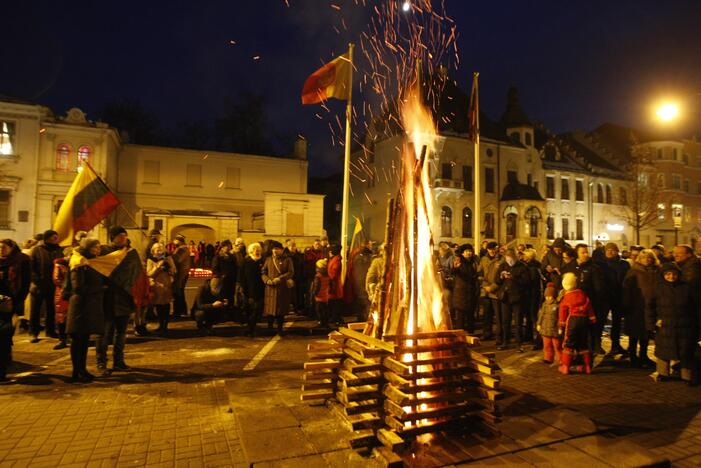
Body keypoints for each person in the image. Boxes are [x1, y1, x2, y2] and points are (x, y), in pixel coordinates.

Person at [646, 262, 700, 386]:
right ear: (663, 275)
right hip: (665, 325)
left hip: (685, 325)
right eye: (668, 274)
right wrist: (651, 324)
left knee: (686, 351)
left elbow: (695, 307)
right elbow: (650, 308)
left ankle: (686, 375)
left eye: (674, 274)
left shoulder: (687, 287)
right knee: (663, 351)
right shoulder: (658, 288)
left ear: (678, 274)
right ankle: (663, 373)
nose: (671, 276)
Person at [95, 226, 134, 375]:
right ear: (113, 237)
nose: (123, 238)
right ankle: (101, 362)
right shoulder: (103, 252)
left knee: (121, 332)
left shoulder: (129, 253)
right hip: (107, 298)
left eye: (125, 235)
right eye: (120, 236)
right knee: (104, 333)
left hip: (123, 297)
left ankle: (119, 361)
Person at [66, 238, 105, 383]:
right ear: (88, 248)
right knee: (78, 341)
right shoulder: (79, 262)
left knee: (83, 341)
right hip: (80, 307)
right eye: (96, 247)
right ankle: (77, 372)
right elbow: (78, 287)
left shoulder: (89, 261)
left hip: (88, 306)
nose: (98, 250)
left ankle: (82, 370)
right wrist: (100, 288)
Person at [622, 249, 659, 368]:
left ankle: (643, 356)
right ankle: (633, 356)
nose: (647, 260)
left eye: (649, 258)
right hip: (636, 306)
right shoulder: (634, 272)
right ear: (639, 259)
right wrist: (627, 305)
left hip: (651, 307)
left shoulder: (657, 271)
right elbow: (627, 290)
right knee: (634, 333)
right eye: (644, 258)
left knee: (646, 333)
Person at [0, 239, 31, 382]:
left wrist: (18, 302)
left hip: (11, 303)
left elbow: (25, 283)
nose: (1, 250)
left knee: (6, 335)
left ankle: (4, 366)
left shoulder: (21, 260)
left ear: (11, 248)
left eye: (4, 247)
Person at [29, 229, 64, 342]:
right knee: (36, 309)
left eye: (56, 237)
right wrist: (36, 280)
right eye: (53, 237)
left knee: (51, 309)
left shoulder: (59, 250)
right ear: (46, 238)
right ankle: (34, 332)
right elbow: (31, 267)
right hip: (38, 284)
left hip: (53, 284)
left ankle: (50, 330)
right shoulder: (37, 250)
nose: (55, 239)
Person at [558, 272, 596, 375]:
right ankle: (586, 366)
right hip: (584, 321)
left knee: (569, 344)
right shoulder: (583, 294)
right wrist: (592, 318)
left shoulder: (566, 297)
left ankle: (565, 367)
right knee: (583, 344)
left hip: (573, 321)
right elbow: (589, 307)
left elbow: (563, 311)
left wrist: (561, 325)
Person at [495, 249, 530, 351]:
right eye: (507, 258)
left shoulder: (522, 267)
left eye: (511, 258)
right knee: (505, 321)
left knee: (518, 322)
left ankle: (519, 343)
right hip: (505, 298)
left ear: (515, 258)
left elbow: (526, 282)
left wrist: (513, 277)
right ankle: (505, 342)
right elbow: (496, 281)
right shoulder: (502, 266)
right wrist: (501, 277)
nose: (509, 260)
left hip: (518, 297)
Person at [599, 242, 630, 355]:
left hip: (619, 296)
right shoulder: (601, 264)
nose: (610, 252)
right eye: (608, 250)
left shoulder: (624, 264)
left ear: (617, 251)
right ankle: (598, 344)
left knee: (617, 322)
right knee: (601, 321)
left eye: (613, 250)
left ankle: (615, 345)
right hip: (605, 297)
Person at [261, 241, 294, 334]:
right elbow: (263, 272)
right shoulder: (268, 259)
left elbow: (290, 272)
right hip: (270, 288)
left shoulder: (287, 260)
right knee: (270, 309)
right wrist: (267, 280)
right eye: (273, 249)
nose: (275, 251)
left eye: (277, 249)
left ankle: (280, 329)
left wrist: (279, 279)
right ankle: (270, 328)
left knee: (281, 310)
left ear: (282, 250)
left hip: (282, 288)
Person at [146, 243, 176, 336]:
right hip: (156, 285)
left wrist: (169, 269)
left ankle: (165, 326)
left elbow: (174, 270)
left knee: (166, 305)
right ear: (153, 250)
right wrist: (158, 268)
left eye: (161, 248)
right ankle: (160, 324)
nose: (160, 250)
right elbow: (149, 273)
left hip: (166, 285)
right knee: (158, 306)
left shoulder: (168, 258)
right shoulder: (151, 260)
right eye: (157, 249)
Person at [451, 244, 480, 333]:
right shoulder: (459, 261)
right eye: (467, 251)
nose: (469, 253)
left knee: (471, 316)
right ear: (462, 253)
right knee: (461, 317)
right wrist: (455, 268)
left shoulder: (474, 262)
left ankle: (470, 334)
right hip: (461, 292)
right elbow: (454, 272)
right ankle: (460, 336)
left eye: (470, 251)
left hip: (471, 292)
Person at [238, 242, 265, 336]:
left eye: (258, 249)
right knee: (250, 309)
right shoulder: (246, 261)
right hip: (248, 289)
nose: (257, 251)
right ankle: (250, 328)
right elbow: (241, 276)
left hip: (261, 289)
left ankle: (253, 326)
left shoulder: (263, 261)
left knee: (258, 309)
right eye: (255, 249)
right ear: (251, 251)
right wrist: (241, 287)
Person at [480, 242, 502, 342]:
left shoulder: (501, 259)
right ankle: (487, 333)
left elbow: (501, 277)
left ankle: (499, 336)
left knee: (498, 315)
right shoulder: (484, 259)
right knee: (486, 314)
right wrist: (483, 284)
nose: (492, 251)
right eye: (490, 249)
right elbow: (480, 272)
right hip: (485, 290)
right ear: (487, 250)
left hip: (496, 290)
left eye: (494, 249)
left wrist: (492, 287)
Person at [522, 248, 543, 348]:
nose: (523, 257)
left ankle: (537, 338)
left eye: (525, 255)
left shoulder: (532, 268)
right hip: (531, 295)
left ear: (529, 257)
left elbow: (531, 282)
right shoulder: (532, 266)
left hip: (532, 296)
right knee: (530, 317)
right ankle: (529, 335)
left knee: (533, 317)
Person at [349, 240, 373, 322]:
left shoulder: (361, 256)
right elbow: (362, 271)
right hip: (362, 281)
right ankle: (363, 318)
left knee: (363, 300)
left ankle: (363, 317)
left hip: (360, 281)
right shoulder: (364, 257)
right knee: (363, 300)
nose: (371, 246)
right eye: (370, 244)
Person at [52, 248, 71, 350]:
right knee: (61, 317)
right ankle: (62, 339)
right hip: (62, 294)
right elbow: (57, 279)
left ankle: (69, 337)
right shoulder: (59, 265)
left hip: (70, 293)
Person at [537, 283, 561, 364]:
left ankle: (560, 359)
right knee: (547, 345)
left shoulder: (557, 305)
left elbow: (559, 317)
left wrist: (560, 327)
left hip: (554, 329)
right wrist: (539, 324)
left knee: (557, 345)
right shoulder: (544, 304)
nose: (548, 298)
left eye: (550, 296)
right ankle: (548, 358)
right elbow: (541, 315)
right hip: (545, 328)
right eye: (546, 296)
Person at [171, 235, 191, 318]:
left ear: (179, 241)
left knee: (178, 292)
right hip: (182, 273)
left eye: (175, 240)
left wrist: (169, 256)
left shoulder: (182, 249)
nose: (173, 242)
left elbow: (178, 259)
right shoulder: (182, 248)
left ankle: (180, 311)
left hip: (181, 273)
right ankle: (180, 311)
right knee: (179, 292)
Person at [311, 258, 331, 328]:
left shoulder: (318, 276)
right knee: (325, 310)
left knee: (319, 310)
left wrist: (313, 293)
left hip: (319, 296)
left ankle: (321, 322)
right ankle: (326, 323)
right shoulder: (327, 275)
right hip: (325, 295)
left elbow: (316, 287)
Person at [327, 244, 344, 327]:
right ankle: (335, 318)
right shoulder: (334, 259)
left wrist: (329, 277)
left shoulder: (336, 260)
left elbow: (334, 272)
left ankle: (336, 318)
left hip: (334, 285)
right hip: (333, 284)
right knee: (333, 302)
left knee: (335, 303)